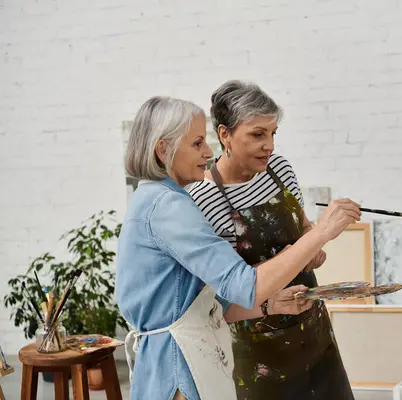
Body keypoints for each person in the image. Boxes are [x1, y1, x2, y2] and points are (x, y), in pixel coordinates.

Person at [116, 96, 361, 400]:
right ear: (163, 149)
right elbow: (243, 284)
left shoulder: (156, 199)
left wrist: (271, 305)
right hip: (180, 365)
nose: (207, 152)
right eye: (196, 144)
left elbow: (207, 300)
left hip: (190, 354)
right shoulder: (168, 207)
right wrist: (323, 231)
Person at [188, 80, 355, 400]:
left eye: (273, 133)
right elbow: (222, 295)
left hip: (315, 333)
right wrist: (314, 239)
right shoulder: (206, 198)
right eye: (257, 134)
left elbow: (303, 228)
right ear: (225, 135)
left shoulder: (278, 169)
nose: (270, 146)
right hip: (260, 355)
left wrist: (312, 246)